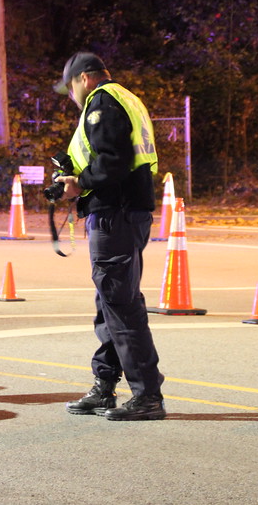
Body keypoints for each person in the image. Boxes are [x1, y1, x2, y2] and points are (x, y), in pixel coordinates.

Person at [53, 52, 166, 421]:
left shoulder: (102, 102)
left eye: (70, 87)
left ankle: (147, 395)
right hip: (127, 212)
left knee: (120, 303)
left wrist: (78, 184)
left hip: (114, 215)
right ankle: (106, 385)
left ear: (85, 78)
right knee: (112, 303)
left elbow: (112, 161)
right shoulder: (127, 98)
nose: (70, 95)